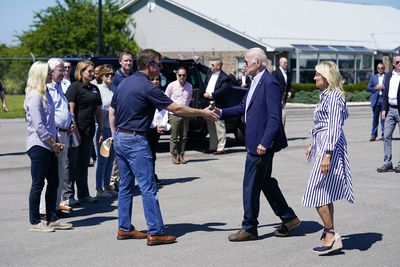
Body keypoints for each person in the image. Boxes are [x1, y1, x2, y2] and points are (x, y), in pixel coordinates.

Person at [109, 48, 218, 245]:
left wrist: (114, 134)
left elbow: (112, 110)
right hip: (135, 141)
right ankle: (156, 232)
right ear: (149, 65)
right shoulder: (148, 87)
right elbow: (175, 108)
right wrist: (202, 112)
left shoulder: (125, 83)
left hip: (121, 138)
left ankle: (124, 228)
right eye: (158, 64)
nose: (160, 68)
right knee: (148, 187)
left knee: (126, 186)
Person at [213, 48, 300, 242]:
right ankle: (289, 218)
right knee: (265, 182)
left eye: (246, 62)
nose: (244, 65)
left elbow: (274, 118)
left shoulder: (269, 83)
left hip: (261, 145)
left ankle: (249, 227)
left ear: (257, 63)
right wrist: (220, 112)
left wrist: (264, 142)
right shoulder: (255, 81)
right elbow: (243, 107)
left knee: (250, 185)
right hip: (255, 142)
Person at [302, 61, 354, 255]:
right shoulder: (326, 96)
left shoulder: (333, 97)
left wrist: (327, 154)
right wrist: (313, 144)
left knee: (315, 190)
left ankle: (330, 233)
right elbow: (323, 125)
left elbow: (334, 127)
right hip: (324, 145)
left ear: (327, 77)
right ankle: (329, 234)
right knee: (324, 191)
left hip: (329, 148)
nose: (314, 78)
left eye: (317, 75)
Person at [24, 61, 72, 232]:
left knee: (54, 180)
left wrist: (55, 143)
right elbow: (39, 125)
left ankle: (52, 217)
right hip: (39, 145)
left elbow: (51, 122)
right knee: (38, 183)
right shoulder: (34, 95)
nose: (51, 74)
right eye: (48, 72)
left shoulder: (46, 93)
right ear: (39, 74)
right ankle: (35, 221)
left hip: (51, 144)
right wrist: (53, 143)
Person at [63, 60, 103, 205]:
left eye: (93, 71)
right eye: (89, 71)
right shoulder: (74, 87)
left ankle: (84, 194)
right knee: (71, 164)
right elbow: (70, 110)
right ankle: (68, 196)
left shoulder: (94, 89)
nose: (92, 73)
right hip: (75, 132)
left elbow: (98, 110)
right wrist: (74, 130)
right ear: (81, 72)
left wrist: (101, 129)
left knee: (83, 163)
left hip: (89, 130)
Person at [39, 58, 75, 218]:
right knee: (51, 174)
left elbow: (64, 109)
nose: (64, 72)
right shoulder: (46, 89)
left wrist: (70, 122)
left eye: (64, 69)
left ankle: (54, 206)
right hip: (55, 135)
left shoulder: (61, 86)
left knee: (61, 172)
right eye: (61, 69)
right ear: (51, 72)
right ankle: (44, 210)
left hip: (65, 133)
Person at [94, 64, 118, 197]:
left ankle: (107, 185)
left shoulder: (113, 90)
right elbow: (98, 111)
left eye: (112, 74)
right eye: (107, 74)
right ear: (101, 76)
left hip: (113, 129)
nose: (110, 76)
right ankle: (99, 189)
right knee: (102, 158)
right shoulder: (98, 89)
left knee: (111, 158)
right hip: (103, 128)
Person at [203, 59, 231, 155]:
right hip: (208, 103)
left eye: (212, 64)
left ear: (218, 66)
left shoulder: (225, 77)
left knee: (219, 126)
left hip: (217, 103)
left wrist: (211, 95)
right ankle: (213, 146)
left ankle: (221, 147)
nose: (210, 66)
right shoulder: (210, 73)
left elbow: (223, 90)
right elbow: (202, 68)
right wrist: (197, 62)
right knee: (210, 126)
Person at [165, 67, 193, 164]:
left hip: (185, 114)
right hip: (174, 114)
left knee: (184, 136)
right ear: (177, 75)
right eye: (180, 75)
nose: (182, 77)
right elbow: (166, 99)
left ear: (186, 76)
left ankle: (181, 155)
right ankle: (174, 155)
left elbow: (189, 99)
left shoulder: (189, 86)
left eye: (184, 75)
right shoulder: (171, 85)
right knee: (174, 136)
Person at [377, 54, 400, 173]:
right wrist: (384, 109)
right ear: (393, 64)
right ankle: (387, 163)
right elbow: (385, 94)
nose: (399, 64)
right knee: (386, 136)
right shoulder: (388, 75)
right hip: (390, 109)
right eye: (397, 62)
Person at [147, 75, 169, 185]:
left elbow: (165, 111)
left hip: (157, 129)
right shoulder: (145, 93)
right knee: (146, 154)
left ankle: (152, 175)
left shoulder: (161, 94)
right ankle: (147, 177)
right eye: (152, 79)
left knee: (152, 154)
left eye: (157, 79)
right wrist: (154, 125)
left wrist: (162, 125)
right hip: (147, 128)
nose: (155, 81)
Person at [367, 63, 386, 141]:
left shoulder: (387, 76)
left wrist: (384, 87)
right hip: (376, 100)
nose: (380, 69)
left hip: (384, 99)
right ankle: (373, 135)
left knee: (383, 119)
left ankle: (384, 134)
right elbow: (368, 88)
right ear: (377, 69)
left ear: (384, 68)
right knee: (375, 118)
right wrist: (375, 88)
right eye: (379, 68)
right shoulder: (373, 77)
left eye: (381, 68)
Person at [272, 57, 292, 126]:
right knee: (279, 115)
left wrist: (289, 91)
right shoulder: (275, 73)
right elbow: (273, 86)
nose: (286, 64)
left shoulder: (288, 73)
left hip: (284, 98)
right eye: (284, 63)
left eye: (287, 63)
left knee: (282, 114)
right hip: (277, 98)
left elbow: (289, 85)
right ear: (280, 63)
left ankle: (281, 131)